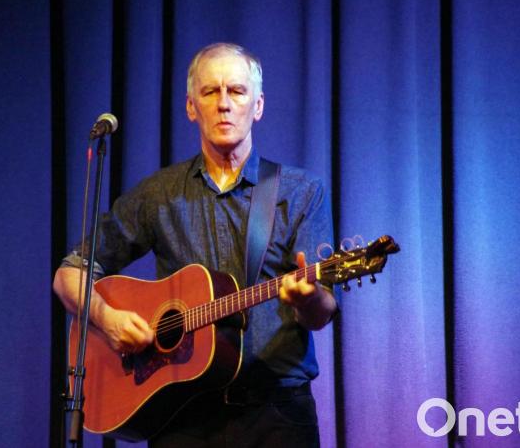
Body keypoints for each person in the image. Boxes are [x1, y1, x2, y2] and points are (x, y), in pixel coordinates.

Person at [53, 42, 337, 447]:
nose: (224, 104)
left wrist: (308, 300)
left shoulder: (301, 191)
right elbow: (69, 274)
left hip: (275, 414)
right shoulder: (160, 193)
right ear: (191, 107)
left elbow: (322, 312)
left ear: (257, 106)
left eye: (237, 91)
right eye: (210, 92)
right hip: (181, 414)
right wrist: (107, 318)